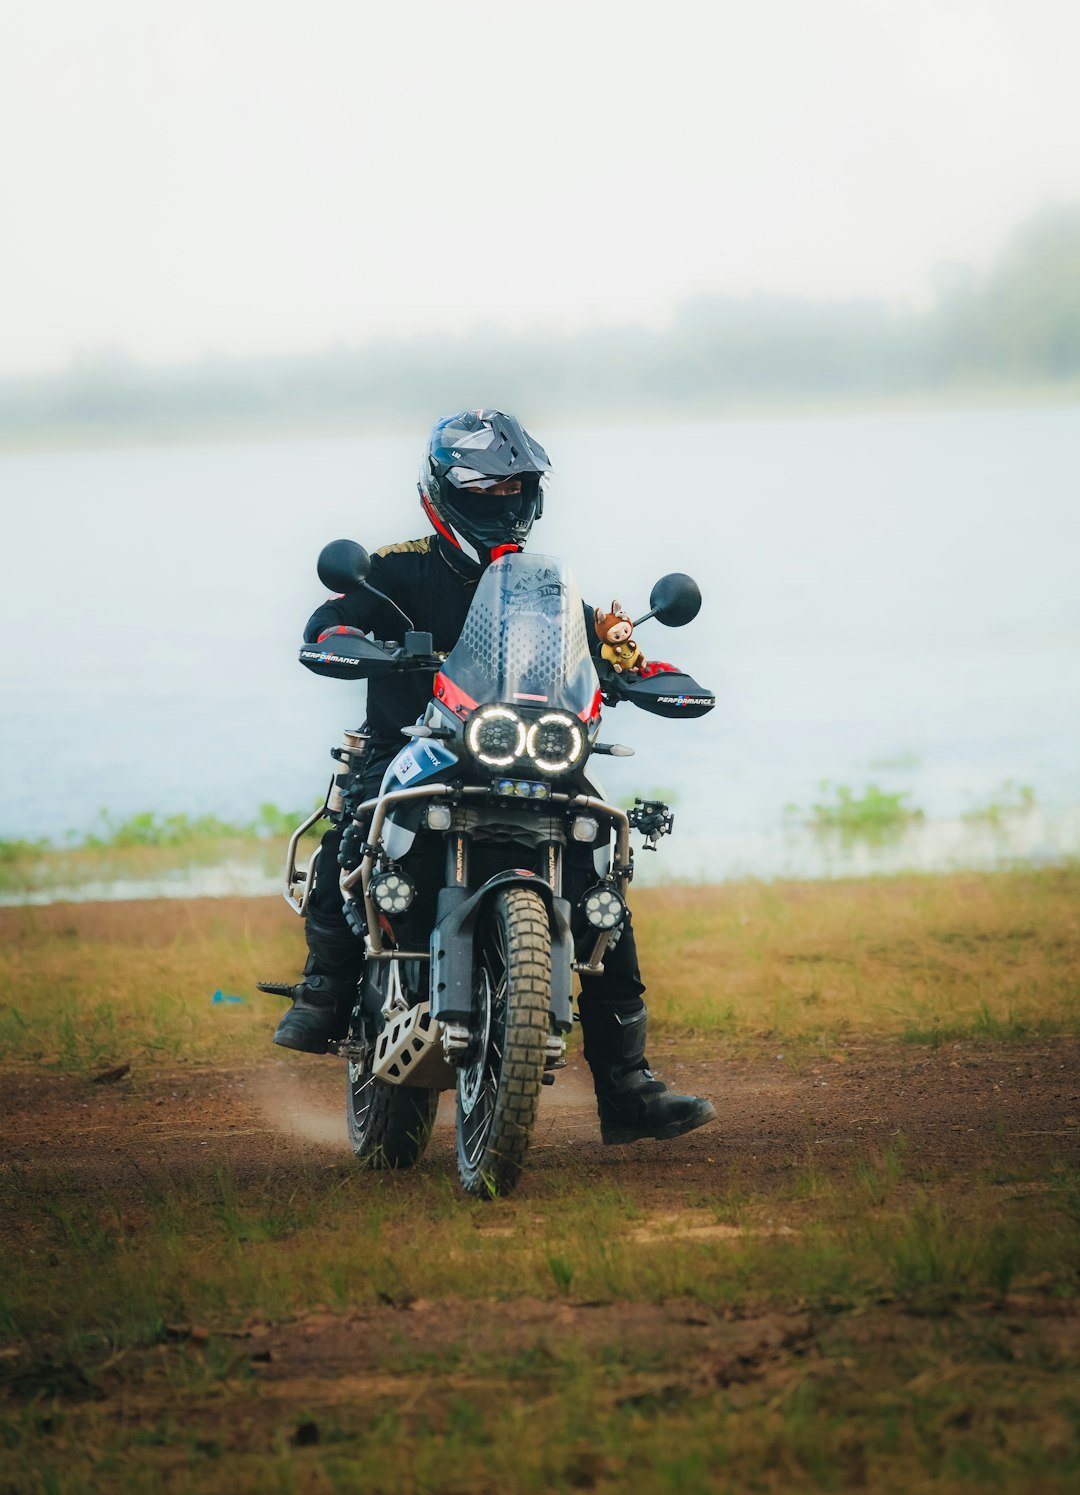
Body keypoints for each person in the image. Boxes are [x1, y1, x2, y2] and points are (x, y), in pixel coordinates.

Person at [274, 409, 716, 1145]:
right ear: (445, 492)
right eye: (485, 489)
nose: (501, 501)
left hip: (527, 752)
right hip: (415, 747)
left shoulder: (541, 588)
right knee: (353, 827)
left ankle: (627, 1086)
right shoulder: (395, 568)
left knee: (602, 884)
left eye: (514, 489)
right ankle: (324, 989)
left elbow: (597, 653)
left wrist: (642, 671)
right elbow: (327, 623)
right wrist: (347, 639)